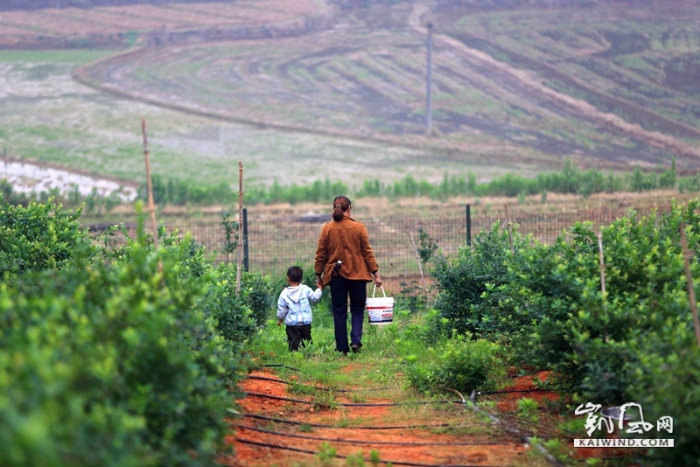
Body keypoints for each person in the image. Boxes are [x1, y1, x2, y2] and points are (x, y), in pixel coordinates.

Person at [314, 196, 382, 355]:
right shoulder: (359, 227)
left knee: (339, 312)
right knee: (358, 309)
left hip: (336, 276)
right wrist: (376, 274)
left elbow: (321, 254)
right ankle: (356, 341)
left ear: (334, 208)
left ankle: (341, 349)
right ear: (349, 208)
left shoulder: (327, 229)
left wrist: (319, 275)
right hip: (358, 275)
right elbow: (367, 252)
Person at [277, 266, 323, 351]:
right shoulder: (305, 289)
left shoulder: (283, 294)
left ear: (287, 278)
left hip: (292, 324)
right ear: (301, 279)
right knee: (306, 341)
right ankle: (308, 354)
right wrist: (319, 289)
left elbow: (282, 309)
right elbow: (315, 297)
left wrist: (280, 319)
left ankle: (295, 356)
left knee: (293, 342)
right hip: (305, 323)